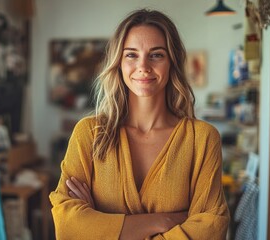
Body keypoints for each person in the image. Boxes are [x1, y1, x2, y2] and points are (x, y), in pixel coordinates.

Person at [49, 8, 230, 239]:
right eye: (131, 55)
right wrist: (164, 221)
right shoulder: (89, 133)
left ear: (172, 62)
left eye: (156, 54)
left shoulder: (202, 139)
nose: (143, 66)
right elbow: (67, 226)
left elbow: (211, 229)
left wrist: (100, 225)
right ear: (119, 63)